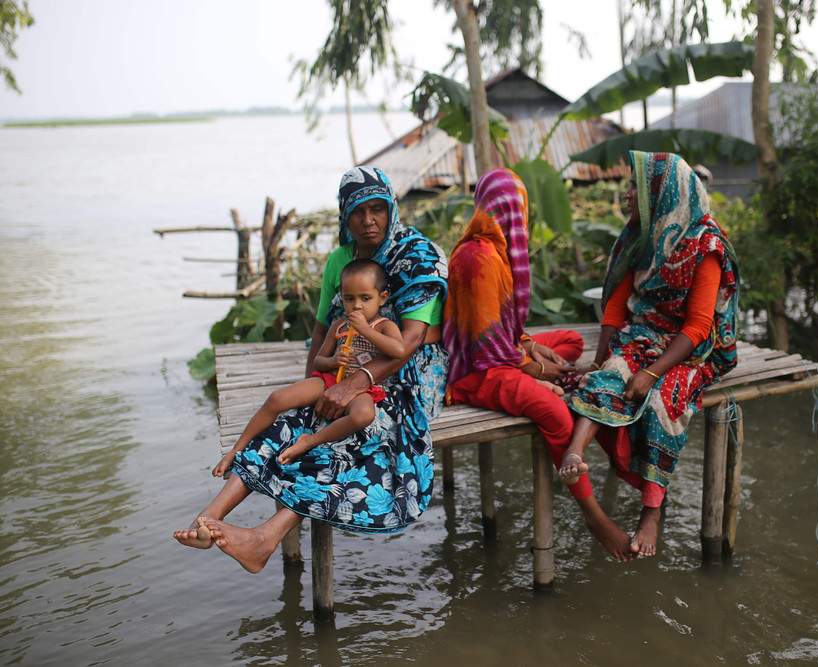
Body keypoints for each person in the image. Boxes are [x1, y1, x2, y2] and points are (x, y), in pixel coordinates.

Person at [174, 166, 449, 573]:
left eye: (378, 209)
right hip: (347, 363)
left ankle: (266, 537)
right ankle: (206, 521)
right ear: (344, 214)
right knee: (294, 417)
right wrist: (318, 386)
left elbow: (406, 343)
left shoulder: (416, 255)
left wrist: (353, 384)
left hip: (406, 371)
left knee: (360, 434)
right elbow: (323, 325)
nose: (368, 221)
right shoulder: (340, 259)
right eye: (358, 211)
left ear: (392, 208)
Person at [560, 151, 740, 559]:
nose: (626, 195)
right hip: (646, 332)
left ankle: (651, 512)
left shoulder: (705, 245)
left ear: (662, 194)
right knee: (606, 378)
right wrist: (604, 356)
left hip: (694, 348)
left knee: (662, 403)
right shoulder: (638, 237)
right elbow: (616, 304)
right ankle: (574, 453)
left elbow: (696, 327)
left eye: (634, 188)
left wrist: (654, 374)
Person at [443, 168, 616, 549]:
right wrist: (538, 372)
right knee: (552, 409)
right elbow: (486, 350)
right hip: (475, 372)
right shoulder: (477, 259)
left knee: (568, 340)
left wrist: (530, 346)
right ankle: (594, 515)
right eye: (517, 210)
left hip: (502, 350)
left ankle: (546, 376)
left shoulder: (498, 251)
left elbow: (501, 324)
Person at [211, 259, 404, 474]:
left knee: (363, 416)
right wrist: (333, 361)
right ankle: (236, 451)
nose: (357, 305)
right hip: (329, 381)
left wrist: (365, 330)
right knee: (277, 398)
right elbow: (319, 361)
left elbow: (399, 351)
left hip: (361, 389)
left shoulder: (385, 326)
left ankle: (309, 441)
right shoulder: (338, 326)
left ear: (382, 298)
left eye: (366, 298)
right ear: (342, 298)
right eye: (349, 299)